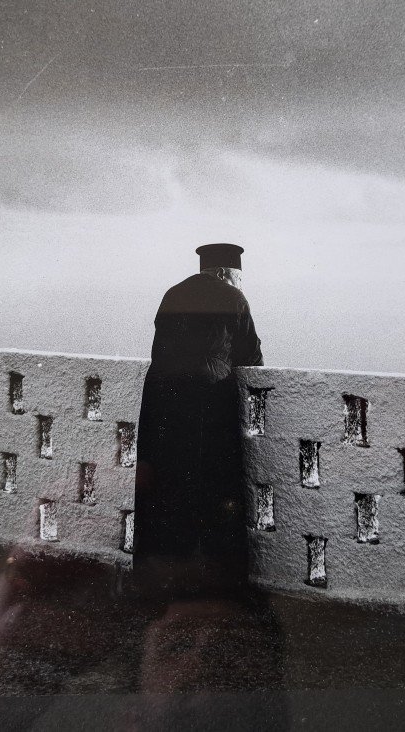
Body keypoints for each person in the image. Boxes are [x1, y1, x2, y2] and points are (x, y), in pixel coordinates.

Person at [132, 243, 263, 600]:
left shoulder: (173, 293)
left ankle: (161, 573)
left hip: (162, 402)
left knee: (167, 486)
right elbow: (251, 357)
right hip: (209, 403)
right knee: (211, 487)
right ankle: (213, 579)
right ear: (228, 272)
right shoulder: (234, 298)